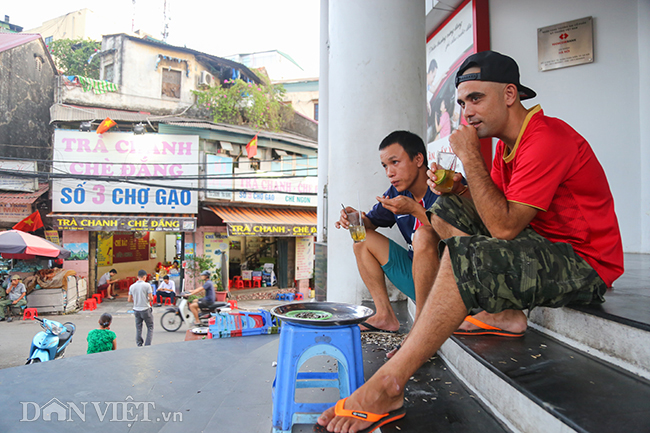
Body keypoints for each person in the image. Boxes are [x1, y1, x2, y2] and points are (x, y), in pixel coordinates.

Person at [316, 51, 624, 433]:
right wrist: (459, 187)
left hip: (584, 263)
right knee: (444, 211)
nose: (466, 112)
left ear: (509, 94)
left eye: (476, 98)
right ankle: (499, 313)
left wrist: (470, 158)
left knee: (468, 256)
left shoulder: (546, 138)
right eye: (462, 102)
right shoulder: (506, 147)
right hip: (540, 248)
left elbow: (505, 229)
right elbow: (493, 207)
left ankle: (389, 383)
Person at [335, 130, 439, 333]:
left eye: (395, 162)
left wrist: (416, 210)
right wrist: (355, 218)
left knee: (424, 236)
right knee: (362, 241)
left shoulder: (441, 186)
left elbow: (455, 235)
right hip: (417, 277)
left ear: (418, 159)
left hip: (447, 281)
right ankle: (384, 315)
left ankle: (422, 328)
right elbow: (370, 223)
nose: (389, 172)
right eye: (385, 166)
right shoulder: (396, 193)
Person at [128, 270, 154, 346]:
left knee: (138, 327)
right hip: (145, 308)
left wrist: (135, 299)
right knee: (150, 327)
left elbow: (129, 299)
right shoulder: (147, 285)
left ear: (137, 277)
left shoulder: (132, 286)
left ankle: (139, 343)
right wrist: (147, 299)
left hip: (136, 309)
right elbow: (151, 298)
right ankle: (147, 344)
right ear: (144, 277)